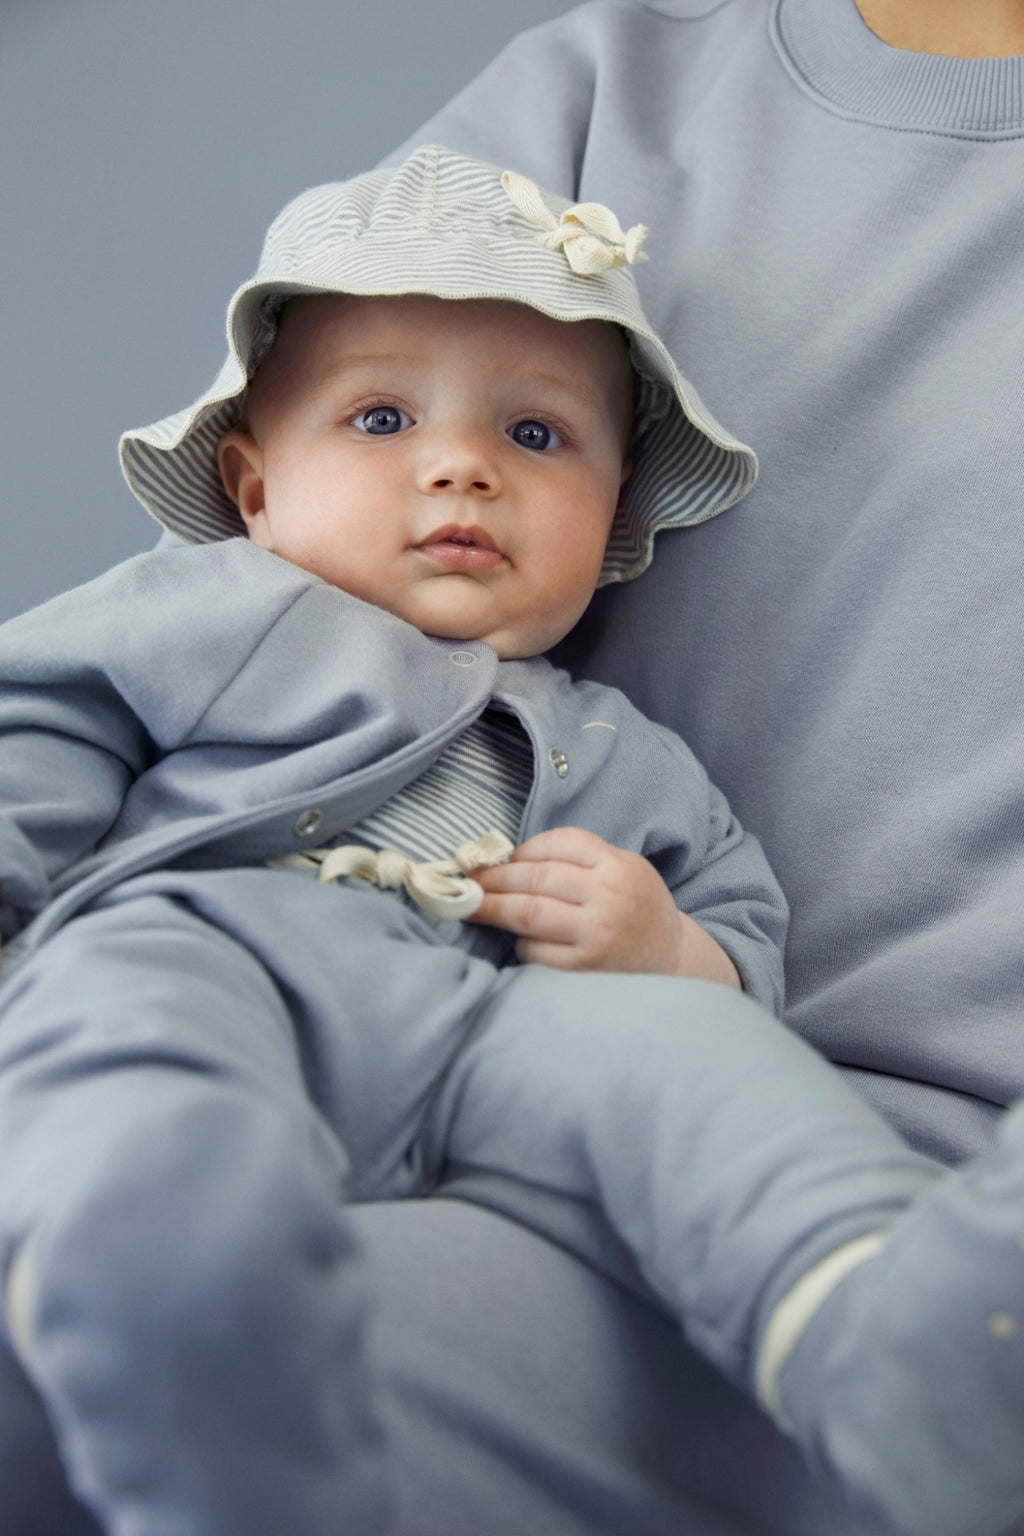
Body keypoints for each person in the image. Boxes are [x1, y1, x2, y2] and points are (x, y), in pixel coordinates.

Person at [0, 146, 795, 1536]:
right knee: (144, 1024)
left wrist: (669, 952)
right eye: (378, 418)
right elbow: (38, 728)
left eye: (536, 438)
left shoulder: (624, 754)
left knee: (673, 1114)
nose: (460, 467)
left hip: (456, 1088)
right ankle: (149, 1250)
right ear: (252, 490)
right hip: (219, 958)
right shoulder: (220, 612)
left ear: (612, 527)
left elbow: (743, 943)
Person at [333, 3, 1024, 1534]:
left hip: (920, 1205)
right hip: (455, 1080)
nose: (456, 468)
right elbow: (295, 583)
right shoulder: (613, 88)